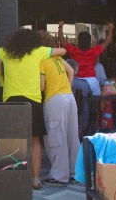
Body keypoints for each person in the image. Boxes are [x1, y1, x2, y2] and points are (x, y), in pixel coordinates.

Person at [0, 28, 66, 190]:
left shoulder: (4, 52)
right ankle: (35, 178)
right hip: (33, 100)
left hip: (11, 100)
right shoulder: (39, 52)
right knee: (35, 140)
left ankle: (14, 178)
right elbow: (63, 50)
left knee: (13, 139)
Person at [38, 31, 79, 187]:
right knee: (71, 135)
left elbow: (42, 86)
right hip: (69, 97)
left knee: (56, 137)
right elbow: (71, 71)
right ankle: (74, 171)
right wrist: (67, 86)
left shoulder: (42, 60)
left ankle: (59, 175)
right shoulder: (58, 58)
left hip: (54, 99)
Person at [58, 20, 114, 96]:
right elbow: (107, 41)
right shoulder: (94, 51)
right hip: (92, 81)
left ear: (78, 41)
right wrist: (110, 28)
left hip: (76, 80)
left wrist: (60, 27)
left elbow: (62, 40)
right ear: (89, 41)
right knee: (96, 100)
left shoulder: (73, 50)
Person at [66, 58, 92, 138]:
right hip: (82, 122)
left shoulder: (59, 84)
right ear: (76, 70)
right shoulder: (84, 84)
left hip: (64, 122)